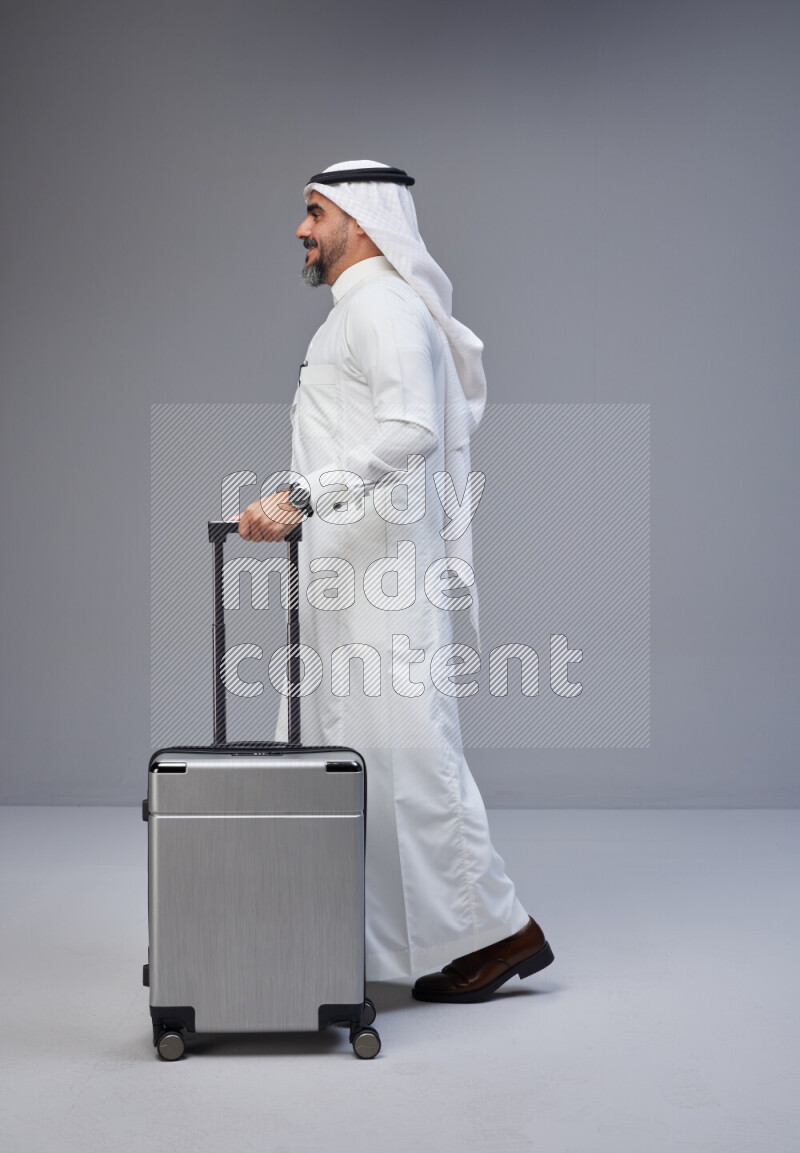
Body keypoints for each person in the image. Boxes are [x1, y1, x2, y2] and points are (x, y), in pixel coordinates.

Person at [236, 160, 554, 1002]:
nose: (302, 230)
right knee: (353, 758)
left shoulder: (381, 308)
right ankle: (347, 937)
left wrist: (299, 496)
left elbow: (411, 429)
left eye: (315, 213)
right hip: (349, 575)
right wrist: (304, 503)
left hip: (385, 581)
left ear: (361, 219)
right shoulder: (354, 313)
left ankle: (505, 929)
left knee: (414, 758)